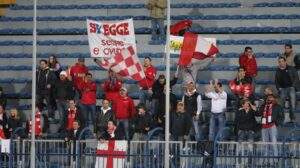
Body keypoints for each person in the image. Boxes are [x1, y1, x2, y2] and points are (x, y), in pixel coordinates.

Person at [275, 56, 299, 121]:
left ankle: (292, 118)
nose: (281, 63)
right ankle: (281, 118)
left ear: (285, 62)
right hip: (283, 88)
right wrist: (279, 88)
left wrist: (293, 86)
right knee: (281, 104)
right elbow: (276, 81)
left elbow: (296, 78)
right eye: (279, 62)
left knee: (293, 102)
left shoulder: (291, 68)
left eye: (282, 61)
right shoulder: (278, 71)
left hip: (291, 88)